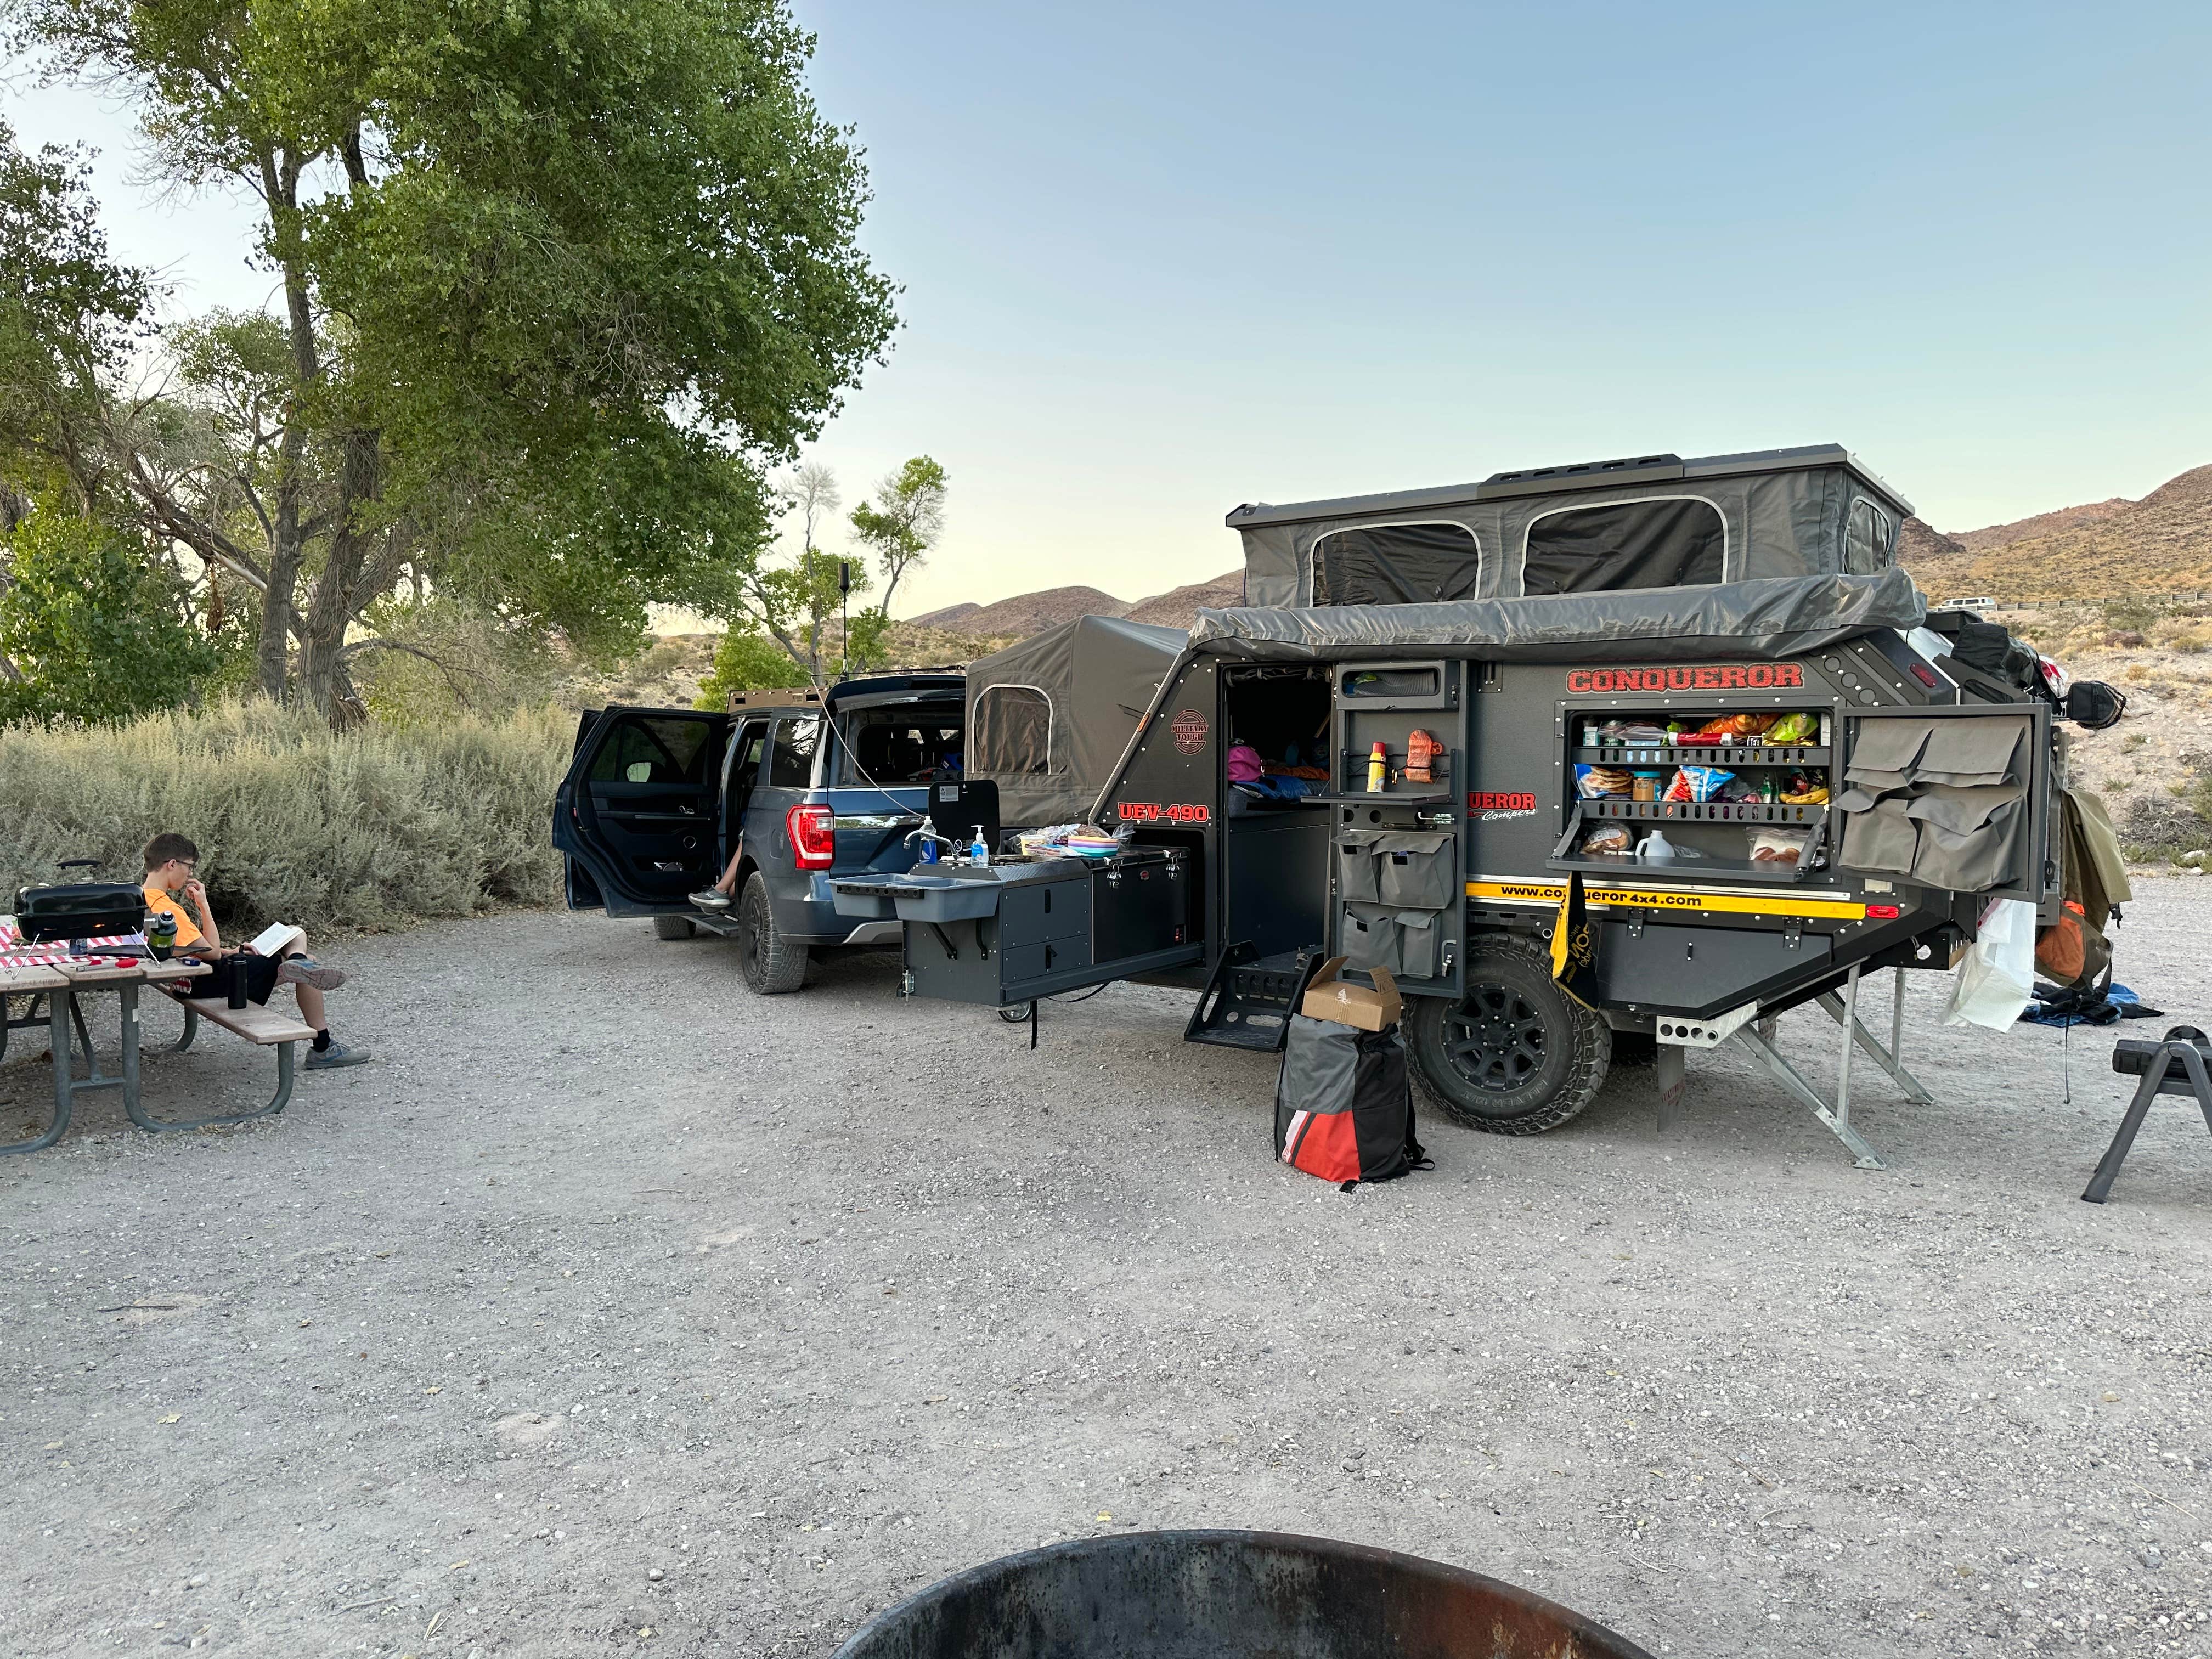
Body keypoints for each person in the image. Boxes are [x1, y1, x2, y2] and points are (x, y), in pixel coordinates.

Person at [140, 833, 370, 1069]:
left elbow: (187, 948)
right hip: (204, 981)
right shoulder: (165, 906)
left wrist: (233, 951)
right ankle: (323, 1047)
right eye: (189, 866)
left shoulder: (140, 897)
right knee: (301, 947)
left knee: (294, 933)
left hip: (185, 978)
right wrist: (204, 905)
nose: (190, 873)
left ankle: (298, 961)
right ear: (172, 865)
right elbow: (211, 953)